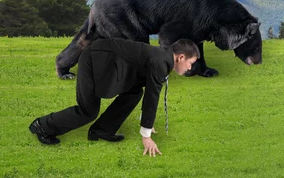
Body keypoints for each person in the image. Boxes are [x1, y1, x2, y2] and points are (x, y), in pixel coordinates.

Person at [29, 38, 199, 156]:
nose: (190, 68)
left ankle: (102, 130)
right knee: (87, 111)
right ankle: (42, 126)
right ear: (181, 57)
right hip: (93, 60)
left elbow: (149, 92)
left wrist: (148, 121)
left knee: (134, 92)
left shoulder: (162, 58)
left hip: (105, 62)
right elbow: (153, 95)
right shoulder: (160, 61)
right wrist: (146, 136)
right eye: (191, 63)